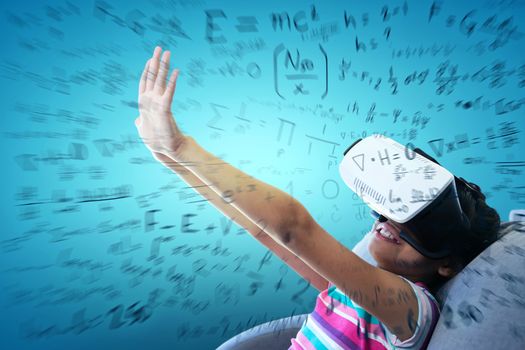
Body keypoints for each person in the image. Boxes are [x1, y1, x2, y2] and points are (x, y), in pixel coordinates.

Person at [134, 46, 501, 349]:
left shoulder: (412, 311)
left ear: (446, 265)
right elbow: (266, 232)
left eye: (421, 220)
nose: (392, 222)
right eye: (393, 209)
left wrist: (183, 147)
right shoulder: (346, 289)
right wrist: (171, 161)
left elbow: (294, 228)